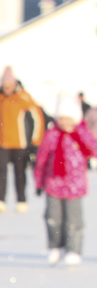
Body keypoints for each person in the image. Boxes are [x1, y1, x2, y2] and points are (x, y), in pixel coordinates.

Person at [34, 93, 97, 265]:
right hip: (53, 183)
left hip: (74, 186)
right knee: (52, 218)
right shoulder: (51, 135)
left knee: (73, 220)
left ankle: (73, 250)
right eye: (62, 119)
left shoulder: (82, 135)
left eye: (69, 119)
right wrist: (39, 181)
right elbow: (42, 159)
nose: (66, 123)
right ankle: (55, 246)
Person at [1, 65, 44, 212]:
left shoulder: (22, 97)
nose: (7, 88)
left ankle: (21, 200)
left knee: (20, 172)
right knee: (1, 172)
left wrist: (35, 139)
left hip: (20, 143)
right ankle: (1, 200)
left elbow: (37, 116)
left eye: (9, 85)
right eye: (4, 86)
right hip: (3, 142)